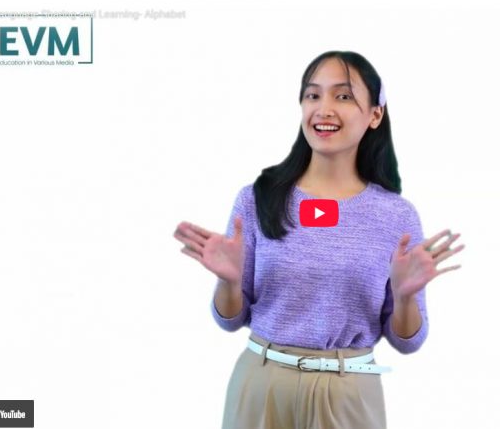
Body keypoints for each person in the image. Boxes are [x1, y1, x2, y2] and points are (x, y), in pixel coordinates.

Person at [173, 50, 465, 429]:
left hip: (349, 392)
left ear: (375, 114)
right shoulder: (257, 198)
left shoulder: (397, 216)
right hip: (261, 384)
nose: (323, 109)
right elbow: (230, 321)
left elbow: (408, 341)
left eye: (343, 96)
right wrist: (229, 282)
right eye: (313, 95)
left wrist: (405, 297)